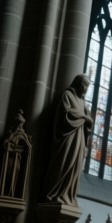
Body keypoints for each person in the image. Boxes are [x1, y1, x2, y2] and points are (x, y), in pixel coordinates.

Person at [44, 75, 93, 206]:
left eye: (87, 87)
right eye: (84, 85)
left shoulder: (83, 102)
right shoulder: (67, 95)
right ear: (78, 83)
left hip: (79, 139)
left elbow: (89, 119)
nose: (86, 89)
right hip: (68, 137)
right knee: (64, 162)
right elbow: (65, 114)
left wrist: (88, 120)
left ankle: (68, 195)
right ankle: (56, 193)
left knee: (75, 166)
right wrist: (83, 117)